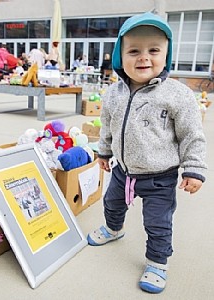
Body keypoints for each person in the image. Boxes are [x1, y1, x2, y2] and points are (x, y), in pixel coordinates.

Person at [87, 12, 207, 294]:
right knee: (111, 205)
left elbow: (192, 135)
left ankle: (157, 262)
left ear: (166, 55)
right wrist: (103, 153)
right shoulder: (113, 94)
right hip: (122, 172)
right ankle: (114, 229)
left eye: (153, 50)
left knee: (158, 223)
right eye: (134, 51)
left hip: (160, 178)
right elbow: (108, 127)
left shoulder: (178, 94)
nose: (144, 57)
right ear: (119, 57)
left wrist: (194, 169)